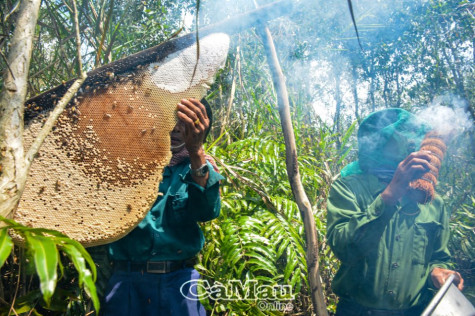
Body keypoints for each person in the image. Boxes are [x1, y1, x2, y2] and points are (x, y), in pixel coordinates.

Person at [326, 108, 464, 316]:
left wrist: (438, 271)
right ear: (378, 143)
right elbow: (344, 248)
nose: (411, 144)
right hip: (358, 311)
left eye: (414, 138)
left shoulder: (433, 202)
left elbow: (438, 257)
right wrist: (390, 194)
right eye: (401, 138)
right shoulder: (349, 188)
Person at [102, 98, 223, 316]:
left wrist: (196, 152)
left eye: (185, 122)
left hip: (179, 282)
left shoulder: (199, 166)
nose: (177, 128)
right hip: (127, 282)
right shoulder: (128, 163)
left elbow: (207, 212)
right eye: (172, 118)